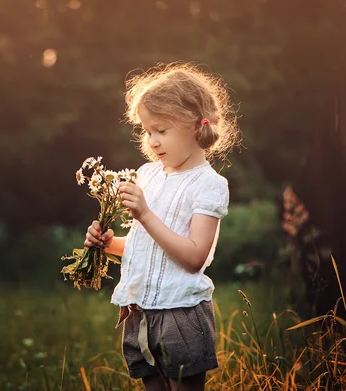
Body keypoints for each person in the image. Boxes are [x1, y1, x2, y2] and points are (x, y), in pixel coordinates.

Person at [84, 62, 241, 391]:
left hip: (181, 313)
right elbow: (147, 247)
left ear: (197, 127)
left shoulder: (209, 185)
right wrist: (109, 243)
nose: (152, 141)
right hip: (141, 311)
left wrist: (145, 215)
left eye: (162, 130)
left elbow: (194, 256)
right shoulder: (149, 174)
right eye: (147, 131)